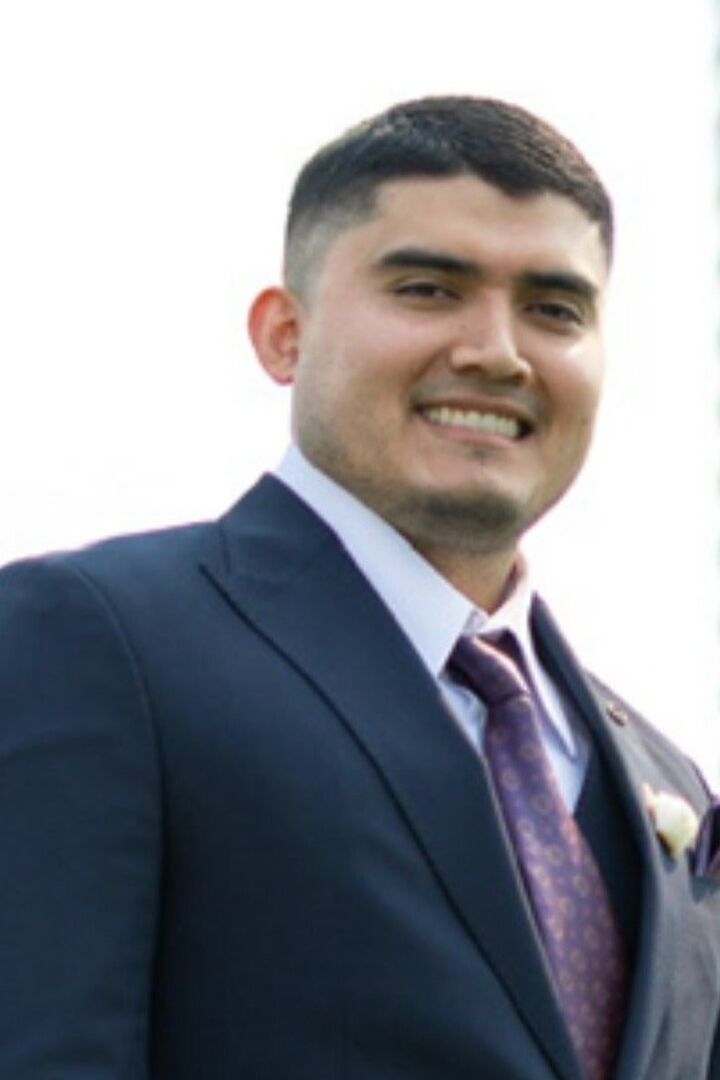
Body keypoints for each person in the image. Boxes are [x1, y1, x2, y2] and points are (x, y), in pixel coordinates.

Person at [0, 96, 718, 1080]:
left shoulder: (669, 782)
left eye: (555, 309)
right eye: (428, 289)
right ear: (283, 334)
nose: (497, 351)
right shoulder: (97, 642)